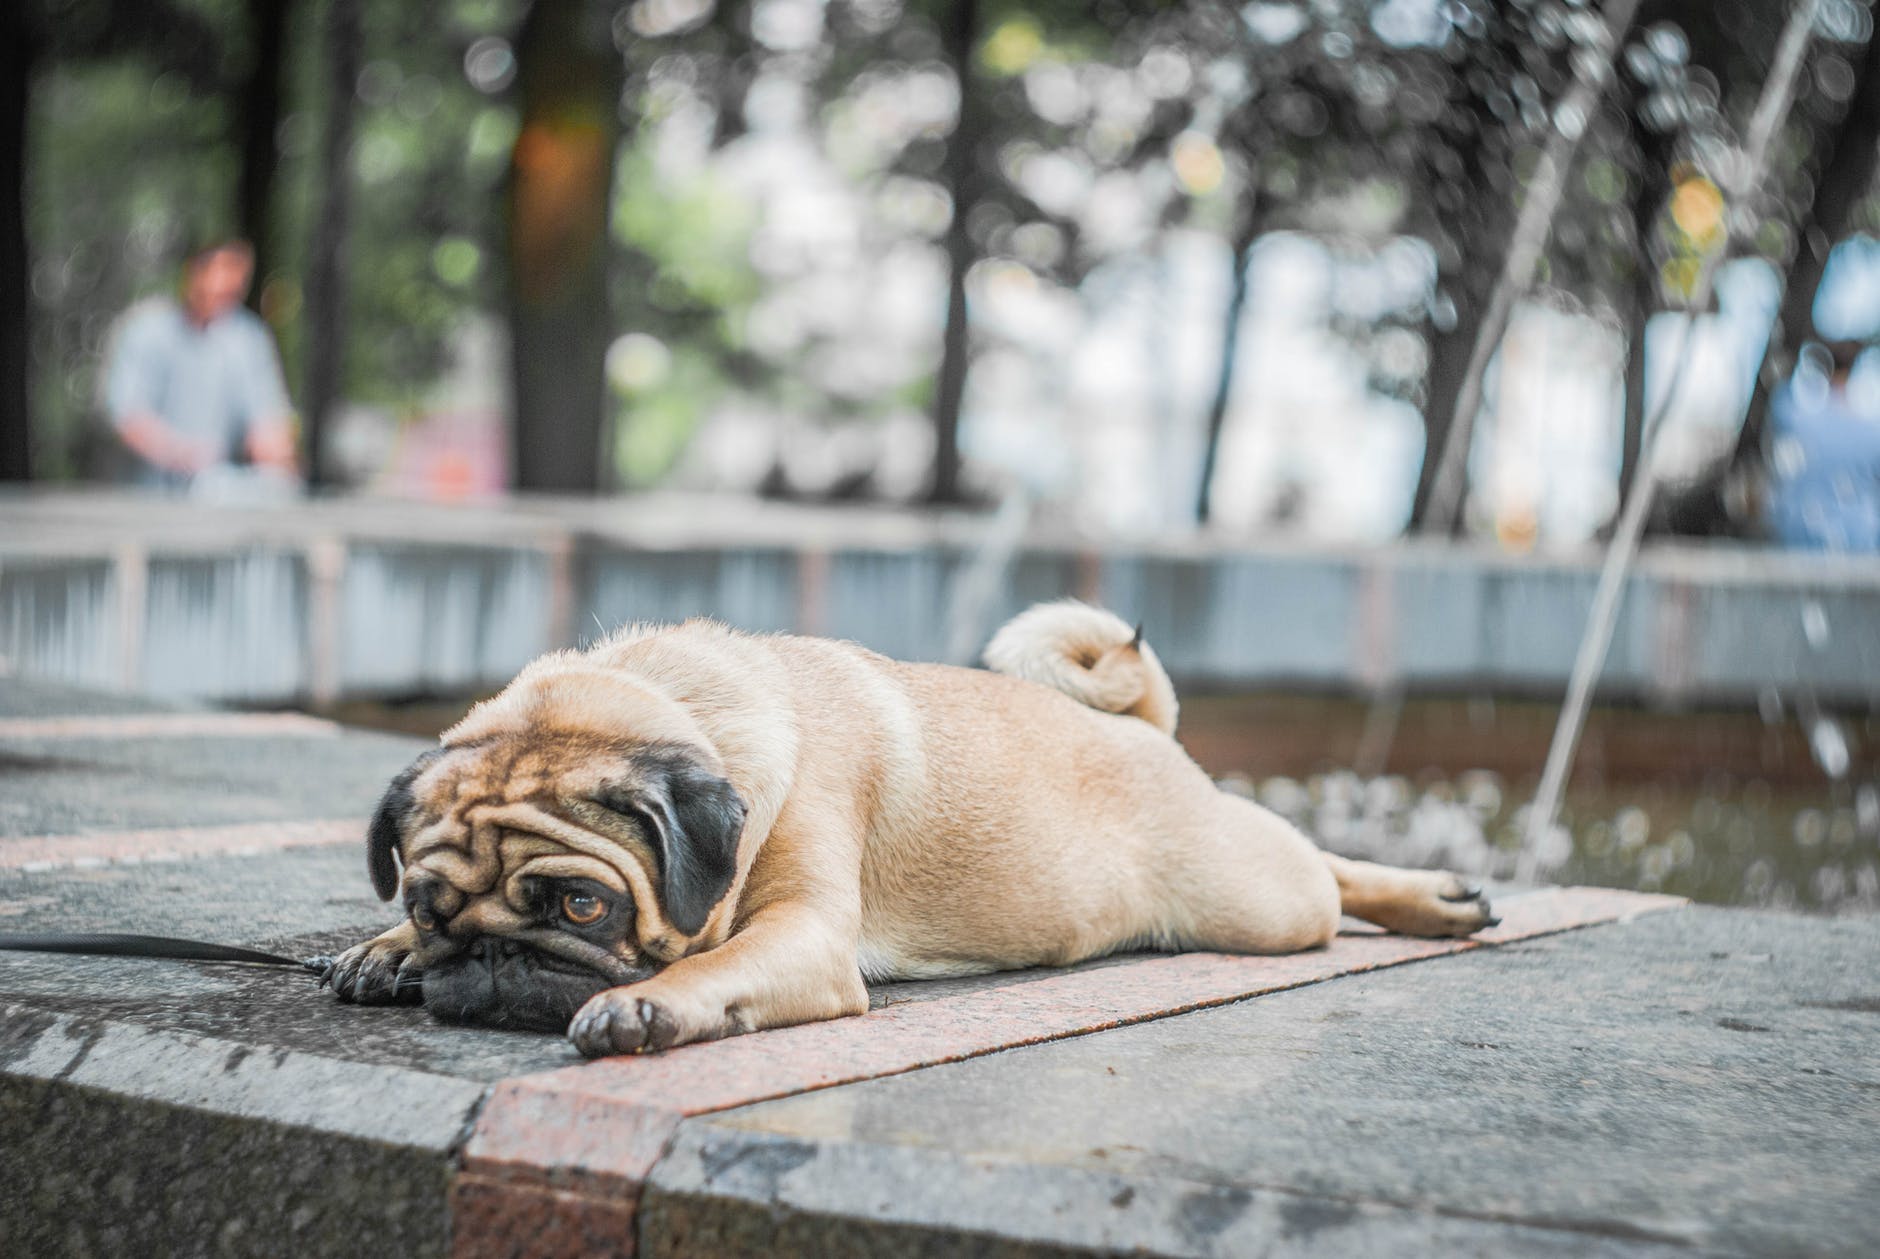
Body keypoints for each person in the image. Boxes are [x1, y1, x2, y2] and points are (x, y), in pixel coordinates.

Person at [101, 237, 300, 492]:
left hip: (212, 501)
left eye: (236, 288)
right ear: (193, 273)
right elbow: (126, 415)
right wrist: (182, 454)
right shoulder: (147, 331)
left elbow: (267, 421)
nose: (228, 292)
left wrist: (278, 454)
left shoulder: (247, 339)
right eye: (220, 279)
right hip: (145, 497)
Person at [1765, 338, 1880, 552]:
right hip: (1859, 545)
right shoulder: (1872, 430)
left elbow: (1780, 405)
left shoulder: (1799, 418)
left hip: (1802, 536)